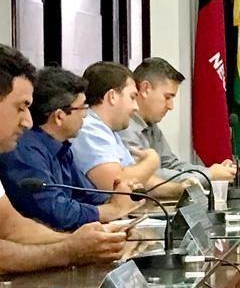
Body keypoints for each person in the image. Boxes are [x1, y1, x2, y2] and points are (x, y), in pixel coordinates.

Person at [0, 44, 125, 276]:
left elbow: (9, 228)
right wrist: (68, 251)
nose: (28, 122)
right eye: (21, 107)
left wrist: (82, 242)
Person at [0, 67, 141, 230]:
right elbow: (57, 212)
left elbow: (87, 195)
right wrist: (111, 210)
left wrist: (119, 195)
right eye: (82, 108)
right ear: (59, 116)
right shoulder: (23, 150)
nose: (85, 115)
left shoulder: (62, 148)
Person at [71, 62, 184, 197]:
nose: (135, 107)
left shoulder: (109, 131)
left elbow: (140, 180)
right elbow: (116, 185)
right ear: (112, 96)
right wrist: (150, 162)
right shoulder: (89, 129)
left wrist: (178, 189)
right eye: (132, 97)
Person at [118, 57, 236, 185]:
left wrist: (212, 172)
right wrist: (209, 175)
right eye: (167, 97)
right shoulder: (124, 127)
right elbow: (148, 176)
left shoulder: (151, 126)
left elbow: (171, 164)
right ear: (146, 89)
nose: (171, 106)